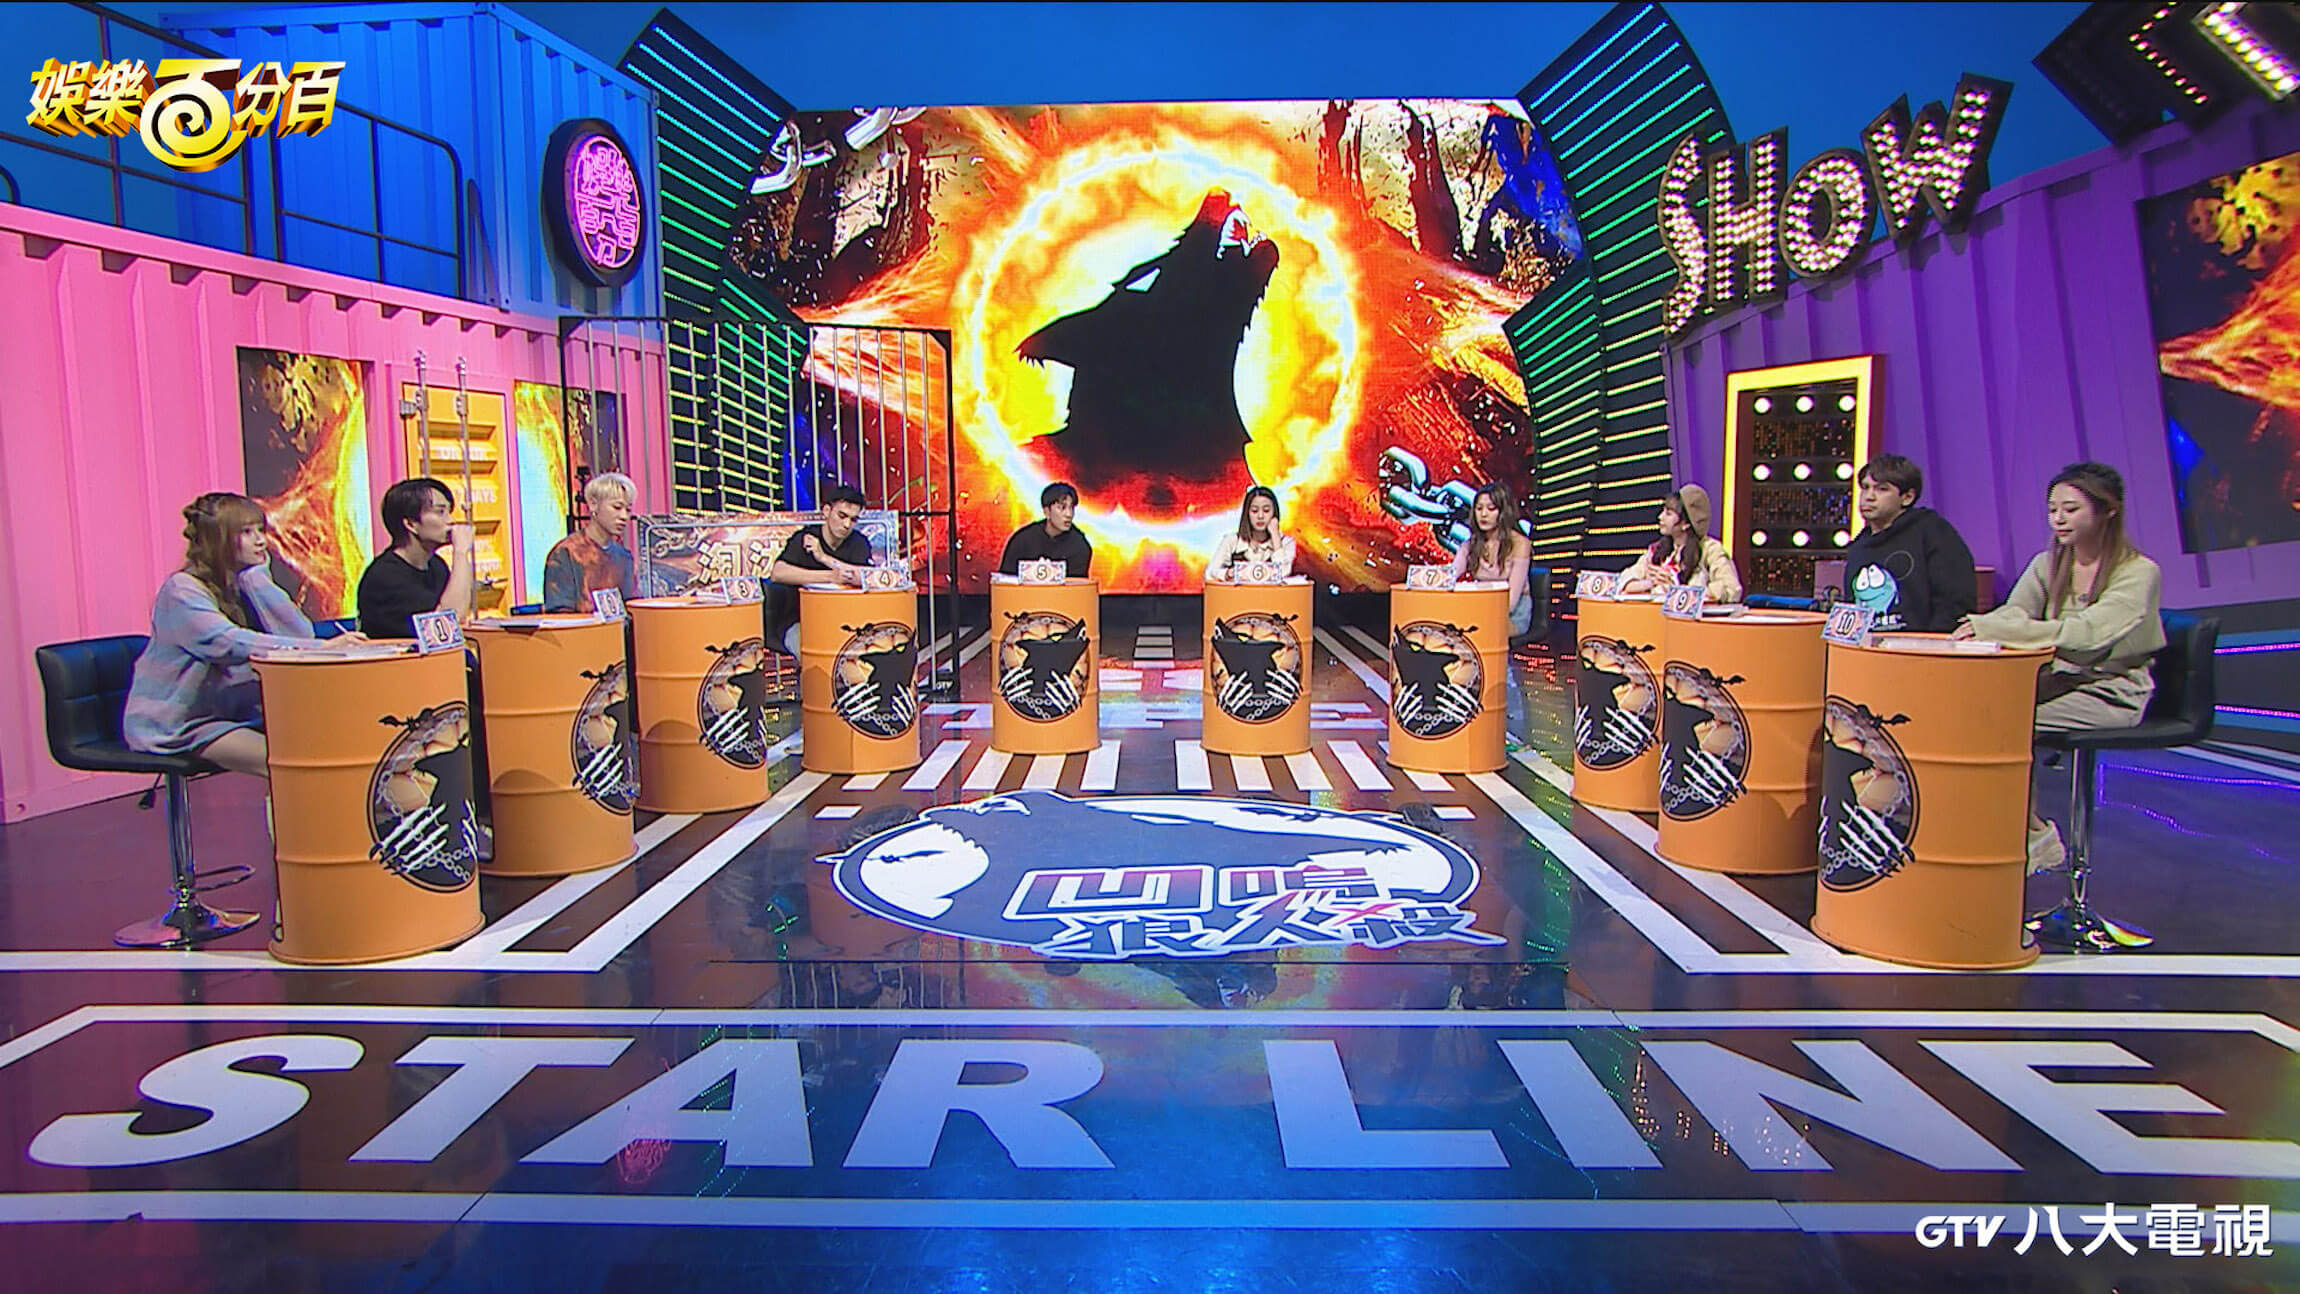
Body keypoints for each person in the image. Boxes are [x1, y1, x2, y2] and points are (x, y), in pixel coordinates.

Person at [1954, 462, 2164, 872]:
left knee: (2009, 723)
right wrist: (1988, 626)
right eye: (2052, 510)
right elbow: (2014, 613)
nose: (2058, 519)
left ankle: (2032, 837)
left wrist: (1998, 628)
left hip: (2113, 690)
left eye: (2070, 509)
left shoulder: (2139, 572)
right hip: (2059, 680)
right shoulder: (2046, 563)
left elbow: (2087, 635)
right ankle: (2005, 828)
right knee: (1973, 712)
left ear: (2108, 510)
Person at [124, 492, 349, 777]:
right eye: (246, 532)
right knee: (292, 764)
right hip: (177, 724)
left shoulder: (243, 582)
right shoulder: (182, 590)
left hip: (228, 715)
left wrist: (257, 579)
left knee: (329, 747)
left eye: (260, 530)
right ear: (218, 540)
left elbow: (301, 636)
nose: (260, 541)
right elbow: (226, 642)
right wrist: (322, 649)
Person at [1840, 453, 1977, 633]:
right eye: (1865, 488)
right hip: (1868, 648)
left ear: (1907, 497)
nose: (1869, 497)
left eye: (1882, 489)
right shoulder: (1859, 546)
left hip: (1921, 647)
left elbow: (1953, 601)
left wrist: (1930, 643)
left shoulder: (1932, 531)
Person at [358, 477, 475, 639]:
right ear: (411, 524)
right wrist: (460, 552)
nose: (451, 521)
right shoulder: (385, 576)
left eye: (449, 512)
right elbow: (447, 626)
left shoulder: (436, 566)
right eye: (440, 512)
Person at [766, 483, 873, 655]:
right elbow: (777, 573)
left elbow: (866, 577)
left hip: (847, 622)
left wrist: (824, 558)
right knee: (815, 656)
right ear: (827, 511)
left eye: (853, 520)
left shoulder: (859, 542)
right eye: (842, 516)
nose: (847, 524)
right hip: (801, 621)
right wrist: (830, 576)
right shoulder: (805, 537)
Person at [1619, 483, 1742, 603]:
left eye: (1668, 514)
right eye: (1663, 511)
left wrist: (1678, 590)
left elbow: (1731, 589)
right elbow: (1625, 580)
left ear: (1686, 523)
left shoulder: (1710, 550)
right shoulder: (1659, 550)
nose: (1660, 517)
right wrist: (1651, 582)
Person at [541, 471, 639, 613]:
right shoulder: (566, 553)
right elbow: (560, 612)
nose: (624, 516)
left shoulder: (624, 558)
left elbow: (632, 608)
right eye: (617, 507)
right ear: (593, 504)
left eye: (628, 510)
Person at [1448, 482, 1534, 637]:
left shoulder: (1520, 544)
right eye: (1479, 508)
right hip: (1481, 608)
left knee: (1476, 633)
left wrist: (1480, 617)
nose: (1483, 514)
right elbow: (1449, 575)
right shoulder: (1470, 545)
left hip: (1513, 612)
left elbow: (1511, 601)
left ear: (1503, 512)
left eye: (1491, 509)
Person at [998, 481, 1093, 578]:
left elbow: (1076, 585)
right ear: (1046, 512)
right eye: (1062, 508)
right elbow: (1004, 579)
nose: (1069, 514)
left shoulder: (1080, 546)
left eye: (1071, 508)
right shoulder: (1022, 539)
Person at [1207, 485, 1297, 579]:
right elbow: (1210, 574)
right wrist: (1227, 574)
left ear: (1274, 513)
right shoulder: (1231, 541)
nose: (1260, 516)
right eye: (1254, 511)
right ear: (1247, 513)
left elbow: (1283, 572)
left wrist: (1275, 537)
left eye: (1266, 511)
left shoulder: (1286, 542)